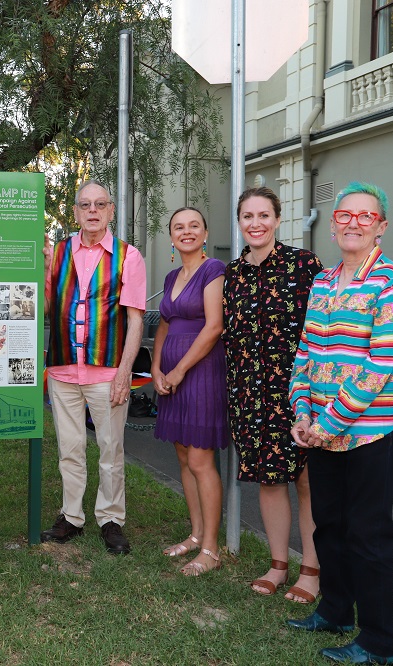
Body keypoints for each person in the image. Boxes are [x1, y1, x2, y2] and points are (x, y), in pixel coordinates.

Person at [287, 182, 393, 665]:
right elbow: (305, 353)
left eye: (366, 216)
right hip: (321, 428)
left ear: (380, 226)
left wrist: (330, 420)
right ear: (334, 223)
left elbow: (383, 362)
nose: (354, 223)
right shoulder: (323, 281)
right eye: (345, 215)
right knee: (329, 527)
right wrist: (303, 412)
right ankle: (336, 611)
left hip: (373, 430)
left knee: (367, 535)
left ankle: (379, 643)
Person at [222, 187, 323, 601]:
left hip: (299, 390)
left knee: (306, 480)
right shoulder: (232, 272)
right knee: (268, 478)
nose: (256, 223)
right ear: (240, 222)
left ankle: (312, 570)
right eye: (248, 216)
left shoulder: (304, 265)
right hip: (249, 392)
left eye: (264, 215)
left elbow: (322, 331)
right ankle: (278, 564)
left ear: (278, 219)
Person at [42, 180, 146, 555]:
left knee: (110, 448)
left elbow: (136, 321)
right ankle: (71, 516)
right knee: (69, 447)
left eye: (100, 204)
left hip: (106, 372)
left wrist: (124, 371)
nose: (93, 211)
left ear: (111, 211)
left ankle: (111, 519)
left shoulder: (128, 255)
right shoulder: (58, 253)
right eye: (85, 204)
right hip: (63, 370)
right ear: (75, 212)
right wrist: (41, 269)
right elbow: (48, 308)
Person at [152, 207, 227, 576]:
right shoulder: (171, 276)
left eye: (193, 225)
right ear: (171, 237)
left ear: (205, 232)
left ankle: (212, 549)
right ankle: (196, 535)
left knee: (200, 461)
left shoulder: (213, 270)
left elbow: (214, 327)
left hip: (201, 374)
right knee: (183, 458)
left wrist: (180, 369)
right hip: (172, 376)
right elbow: (165, 324)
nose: (186, 231)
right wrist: (155, 367)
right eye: (179, 227)